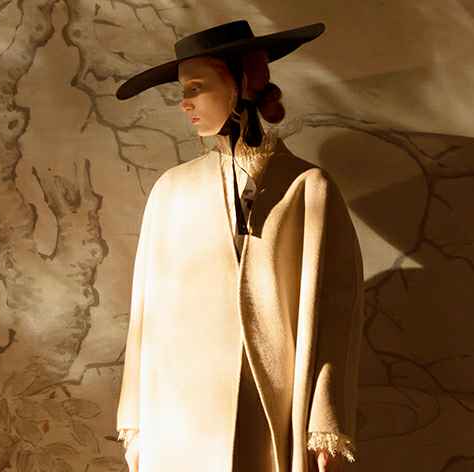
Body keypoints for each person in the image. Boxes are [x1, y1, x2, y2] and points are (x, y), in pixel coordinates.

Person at [114, 20, 364, 472]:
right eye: (182, 90)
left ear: (243, 83)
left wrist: (324, 422)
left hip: (270, 405)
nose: (185, 102)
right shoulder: (171, 191)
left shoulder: (307, 188)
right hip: (179, 416)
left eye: (196, 87)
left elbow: (336, 315)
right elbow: (144, 315)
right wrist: (135, 424)